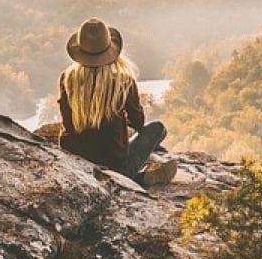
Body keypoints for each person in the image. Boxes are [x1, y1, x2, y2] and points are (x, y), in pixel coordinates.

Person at [58, 17, 176, 186]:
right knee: (157, 128)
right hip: (114, 162)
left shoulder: (67, 79)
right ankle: (134, 178)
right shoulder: (123, 80)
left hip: (75, 161)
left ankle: (132, 178)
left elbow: (67, 122)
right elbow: (139, 123)